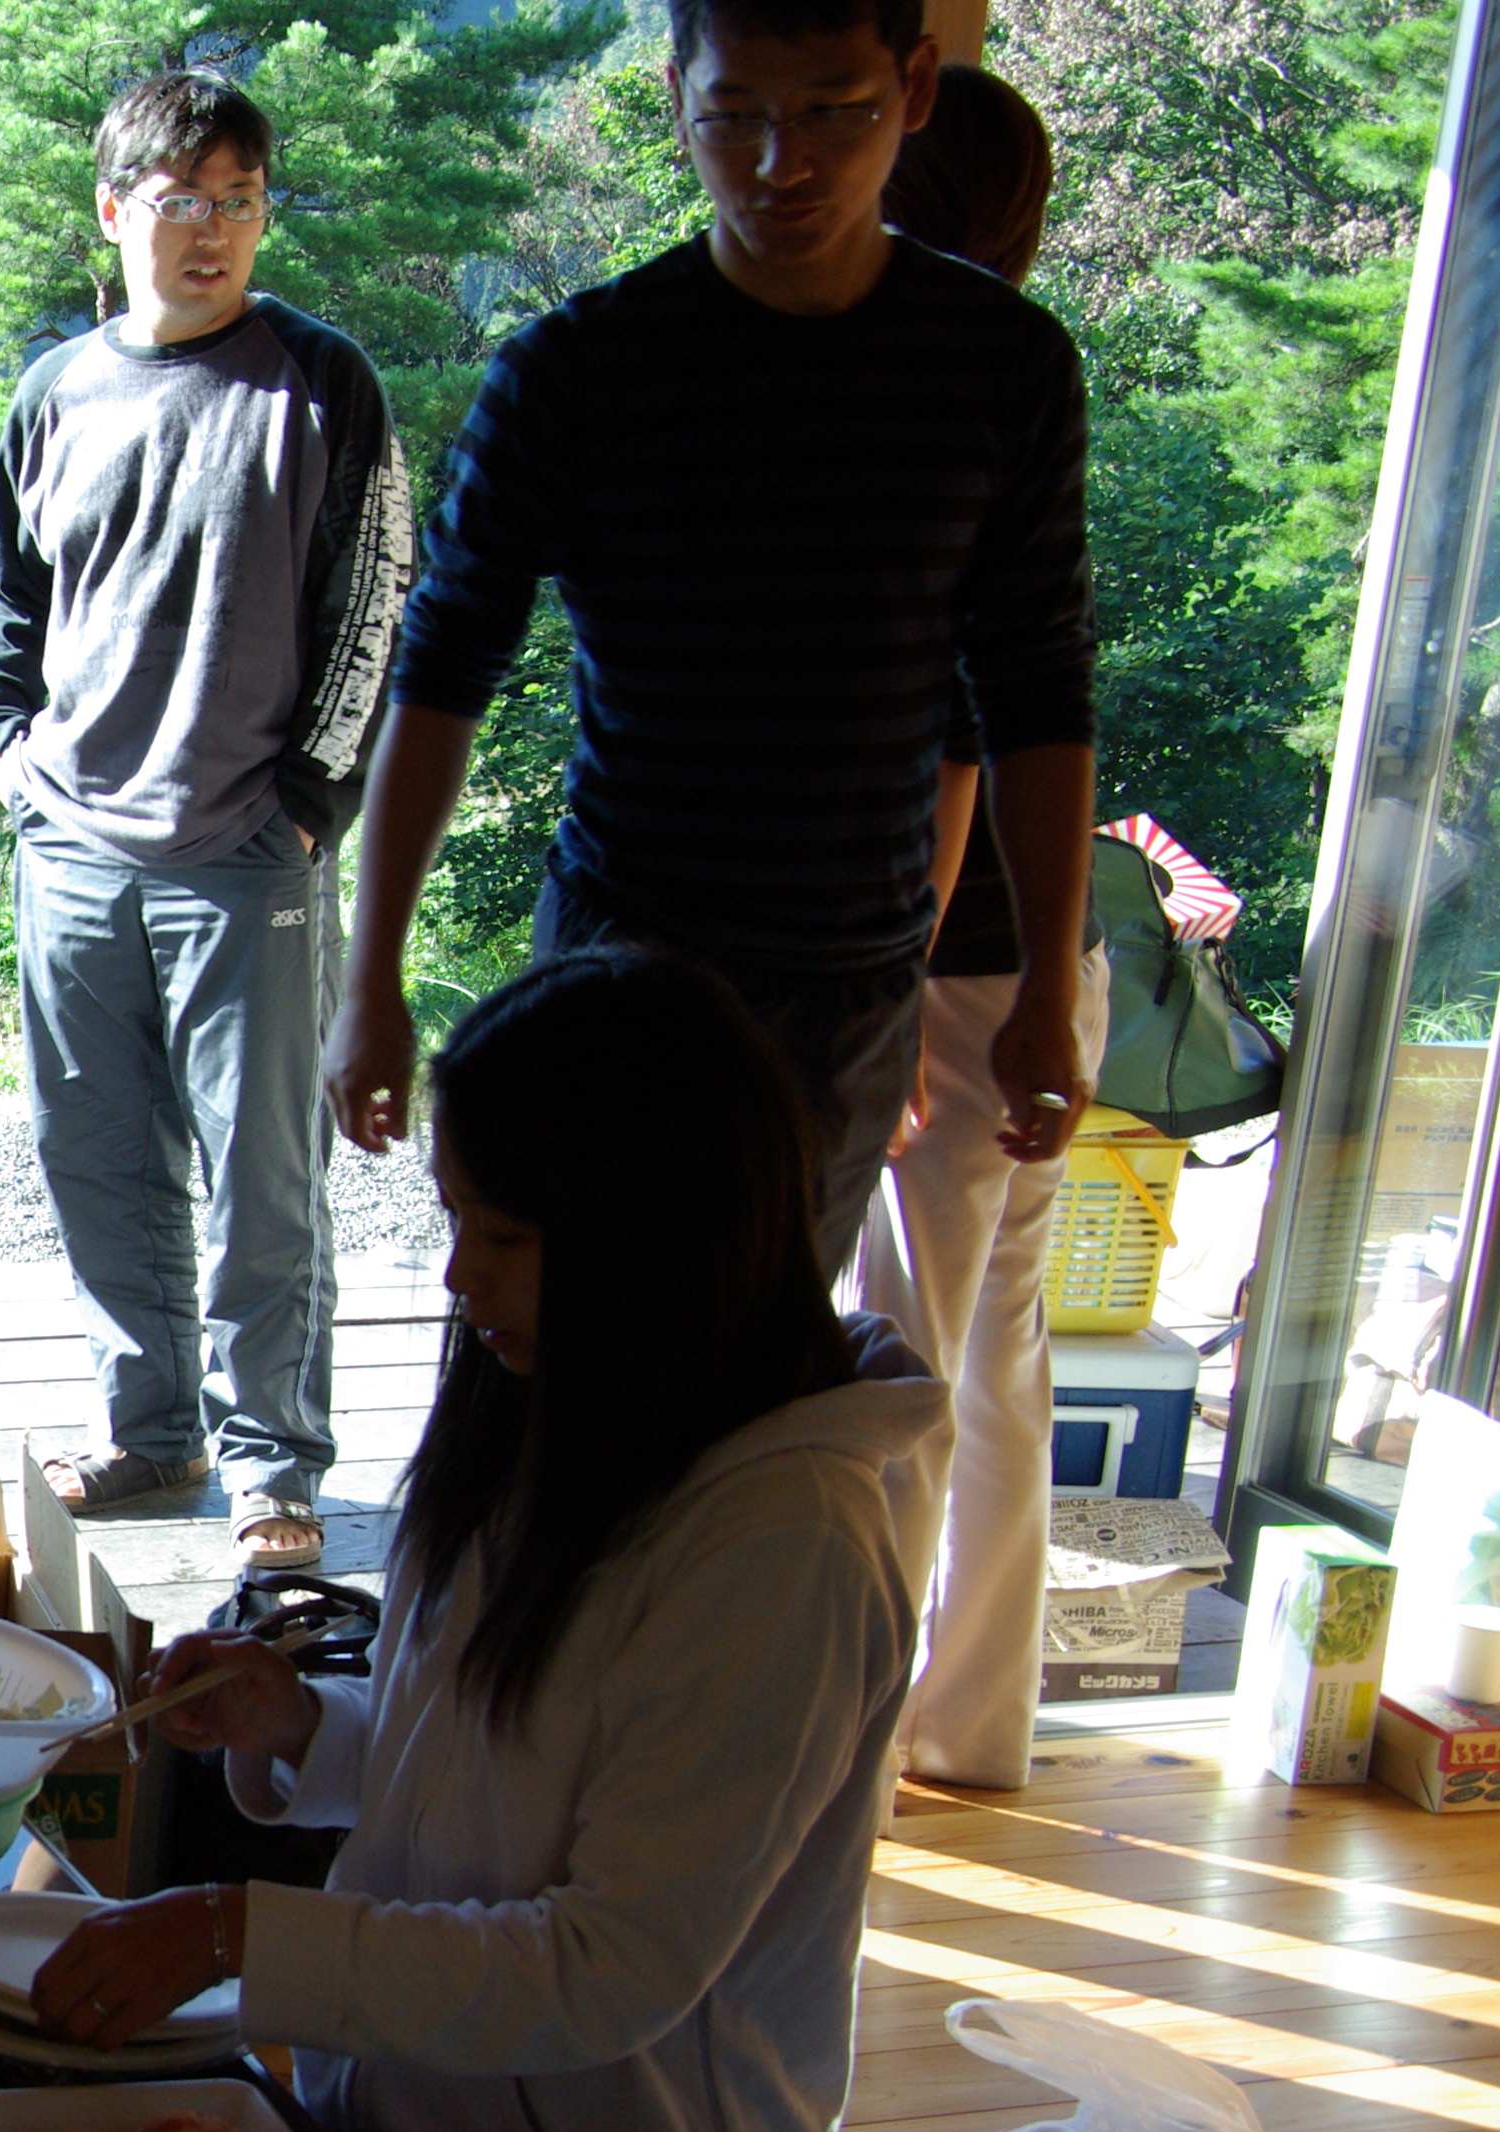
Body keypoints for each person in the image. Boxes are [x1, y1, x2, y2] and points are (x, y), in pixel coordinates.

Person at [31, 952, 941, 2132]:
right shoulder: (553, 1403)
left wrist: (231, 1932)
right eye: (455, 1219)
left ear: (654, 1237)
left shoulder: (788, 1546)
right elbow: (488, 1757)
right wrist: (303, 1726)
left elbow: (603, 1967)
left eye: (506, 1235)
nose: (461, 1278)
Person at [320, 0, 1100, 1285]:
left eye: (831, 113)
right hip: (619, 959)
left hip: (848, 980)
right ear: (676, 91)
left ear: (912, 88)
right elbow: (442, 672)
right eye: (732, 117)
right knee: (573, 1325)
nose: (779, 164)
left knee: (767, 1344)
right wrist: (371, 981)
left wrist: (1044, 994)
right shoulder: (575, 370)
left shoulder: (1001, 365)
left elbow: (1033, 690)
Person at [0, 65, 415, 1569]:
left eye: (240, 201)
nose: (213, 230)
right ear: (114, 212)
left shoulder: (321, 384)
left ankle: (272, 1464)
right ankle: (150, 1433)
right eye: (180, 201)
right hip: (72, 847)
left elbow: (374, 606)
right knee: (96, 1160)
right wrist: (8, 762)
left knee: (263, 1179)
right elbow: (5, 613)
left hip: (244, 854)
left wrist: (308, 807)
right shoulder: (55, 392)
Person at [858, 65, 1115, 1791]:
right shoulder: (1028, 380)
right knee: (1002, 1354)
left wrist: (888, 986)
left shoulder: (937, 393)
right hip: (1050, 954)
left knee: (902, 1359)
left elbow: (953, 747)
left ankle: (858, 1740)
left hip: (949, 970)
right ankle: (974, 1725)